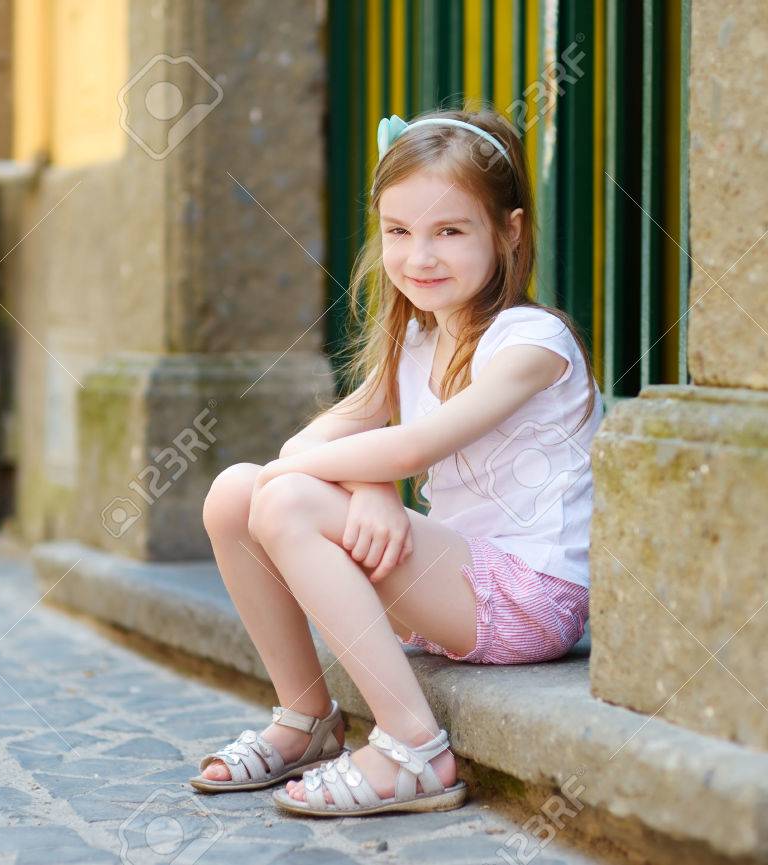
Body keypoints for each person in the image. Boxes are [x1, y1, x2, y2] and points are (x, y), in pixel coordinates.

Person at [189, 108, 603, 816]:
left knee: (284, 500)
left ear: (509, 230)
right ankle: (306, 718)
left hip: (532, 598)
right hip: (454, 586)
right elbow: (302, 448)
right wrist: (373, 485)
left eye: (449, 230)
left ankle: (416, 749)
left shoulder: (532, 344)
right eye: (399, 232)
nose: (420, 257)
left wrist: (374, 477)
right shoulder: (412, 345)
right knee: (235, 492)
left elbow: (412, 447)